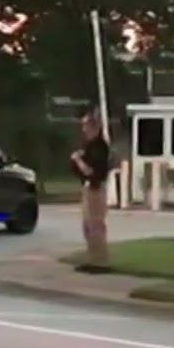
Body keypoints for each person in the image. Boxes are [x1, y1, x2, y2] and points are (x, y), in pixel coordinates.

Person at [70, 107, 112, 274]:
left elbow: (90, 171)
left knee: (96, 225)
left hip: (96, 188)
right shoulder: (89, 146)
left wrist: (78, 159)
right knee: (87, 226)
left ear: (94, 127)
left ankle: (100, 262)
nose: (83, 129)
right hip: (88, 188)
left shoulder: (99, 147)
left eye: (86, 126)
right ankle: (92, 259)